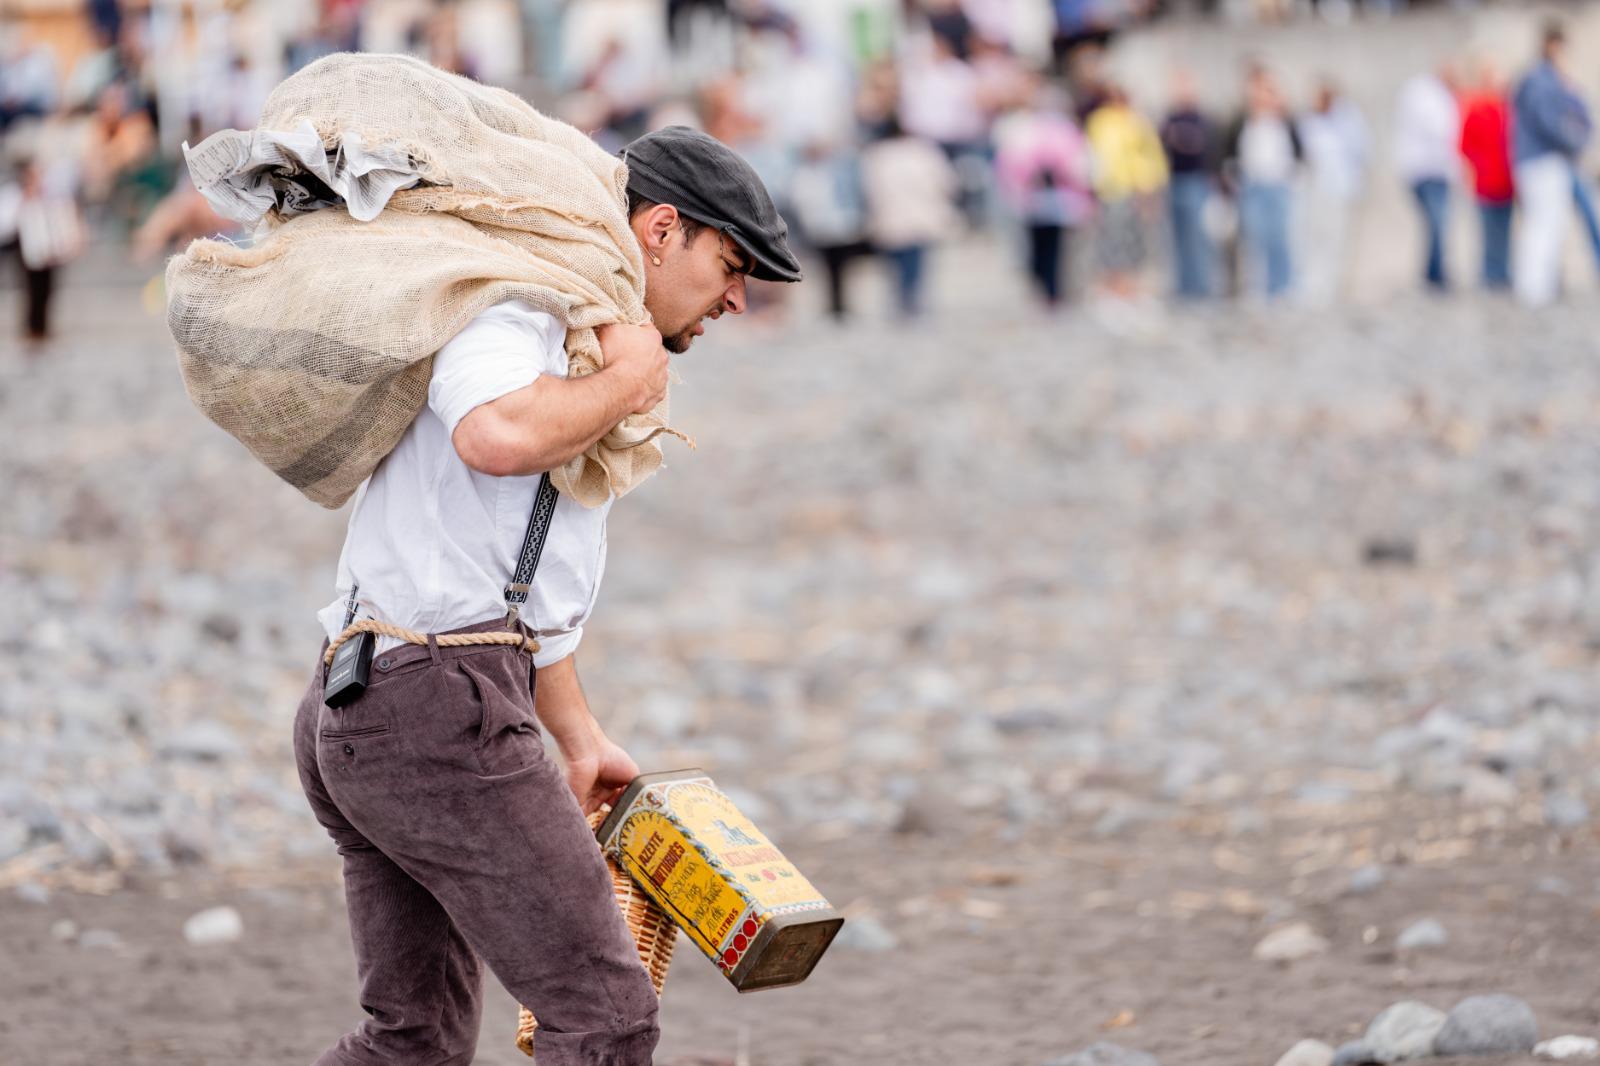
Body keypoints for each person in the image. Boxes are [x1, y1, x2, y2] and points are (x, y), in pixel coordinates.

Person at [294, 124, 802, 1066]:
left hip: (369, 699)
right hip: (433, 709)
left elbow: (515, 598)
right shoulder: (519, 309)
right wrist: (626, 379)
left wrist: (576, 736)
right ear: (659, 230)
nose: (740, 296)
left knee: (414, 1040)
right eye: (731, 262)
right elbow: (492, 435)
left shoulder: (567, 328)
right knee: (605, 1018)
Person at [1511, 22, 1592, 307]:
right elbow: (1553, 123)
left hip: (1540, 161)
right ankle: (1534, 287)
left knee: (1548, 223)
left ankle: (1540, 284)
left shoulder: (1542, 81)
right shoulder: (1541, 81)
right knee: (1543, 223)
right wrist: (1576, 141)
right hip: (1543, 161)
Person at [995, 77, 1094, 308]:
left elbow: (1078, 164)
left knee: (1053, 248)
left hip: (1058, 198)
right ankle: (1046, 287)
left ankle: (1053, 290)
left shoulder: (1062, 131)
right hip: (1036, 199)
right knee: (1041, 247)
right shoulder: (1026, 129)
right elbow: (1011, 164)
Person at [860, 114, 958, 317]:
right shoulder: (923, 151)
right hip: (919, 215)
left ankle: (902, 301)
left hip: (891, 217)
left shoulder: (876, 155)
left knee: (896, 264)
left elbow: (868, 191)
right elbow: (945, 182)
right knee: (916, 263)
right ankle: (911, 301)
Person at [1085, 85, 1168, 300]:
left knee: (1134, 239)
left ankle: (1131, 285)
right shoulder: (1101, 122)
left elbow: (1151, 156)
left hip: (1135, 189)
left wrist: (1149, 187)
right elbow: (1093, 155)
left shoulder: (1137, 122)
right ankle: (1112, 284)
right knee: (1110, 239)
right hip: (1109, 189)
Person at [1224, 64, 1299, 299]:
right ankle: (1254, 289)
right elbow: (1229, 153)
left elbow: (1298, 152)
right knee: (1254, 238)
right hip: (1252, 186)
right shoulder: (1241, 121)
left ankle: (1282, 288)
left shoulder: (1284, 121)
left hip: (1277, 184)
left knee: (1279, 238)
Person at [1297, 78, 1369, 305]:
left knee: (1337, 239)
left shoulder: (1348, 120)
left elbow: (1360, 152)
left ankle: (1334, 286)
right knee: (1314, 237)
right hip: (1314, 190)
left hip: (1340, 189)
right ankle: (1313, 287)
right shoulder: (1308, 121)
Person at [0, 157, 85, 345]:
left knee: (47, 289)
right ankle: (31, 327)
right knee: (30, 290)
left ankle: (42, 326)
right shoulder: (14, 196)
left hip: (48, 251)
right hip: (24, 250)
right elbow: (7, 223)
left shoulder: (51, 195)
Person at [1392, 63, 1460, 291]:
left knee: (1435, 223)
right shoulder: (1429, 96)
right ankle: (1435, 275)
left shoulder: (1427, 95)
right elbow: (1443, 132)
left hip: (1430, 170)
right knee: (1437, 222)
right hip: (1429, 170)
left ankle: (1434, 272)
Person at [1159, 68, 1219, 299]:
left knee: (1198, 238)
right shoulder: (1169, 119)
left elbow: (1204, 148)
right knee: (1177, 238)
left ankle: (1201, 288)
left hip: (1197, 182)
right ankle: (1183, 288)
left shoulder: (1203, 119)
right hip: (1174, 181)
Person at [1457, 57, 1514, 290]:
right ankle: (1490, 275)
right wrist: (1478, 167)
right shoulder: (1477, 108)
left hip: (1507, 181)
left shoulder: (1506, 108)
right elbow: (1464, 145)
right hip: (1486, 181)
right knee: (1488, 230)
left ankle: (1503, 272)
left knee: (1506, 229)